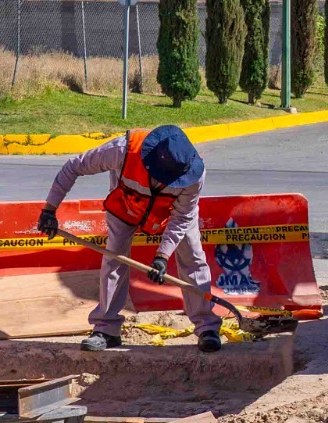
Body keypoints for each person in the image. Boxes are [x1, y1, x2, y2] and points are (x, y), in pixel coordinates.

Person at [36, 125, 222, 353]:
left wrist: (162, 257)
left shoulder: (194, 175)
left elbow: (182, 218)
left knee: (192, 256)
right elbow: (74, 167)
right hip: (126, 205)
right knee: (114, 259)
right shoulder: (122, 151)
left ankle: (207, 327)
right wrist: (49, 209)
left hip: (174, 212)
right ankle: (106, 329)